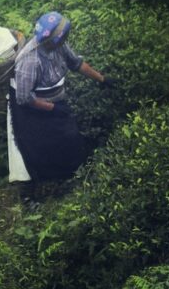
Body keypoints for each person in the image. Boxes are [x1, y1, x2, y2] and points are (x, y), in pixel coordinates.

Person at [7, 11, 113, 185]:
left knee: (68, 136)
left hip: (54, 100)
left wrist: (102, 79)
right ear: (52, 40)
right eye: (64, 36)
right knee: (43, 146)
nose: (66, 39)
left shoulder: (59, 46)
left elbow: (76, 63)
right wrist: (52, 108)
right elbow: (24, 98)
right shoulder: (30, 61)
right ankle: (50, 181)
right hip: (33, 108)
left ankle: (72, 173)